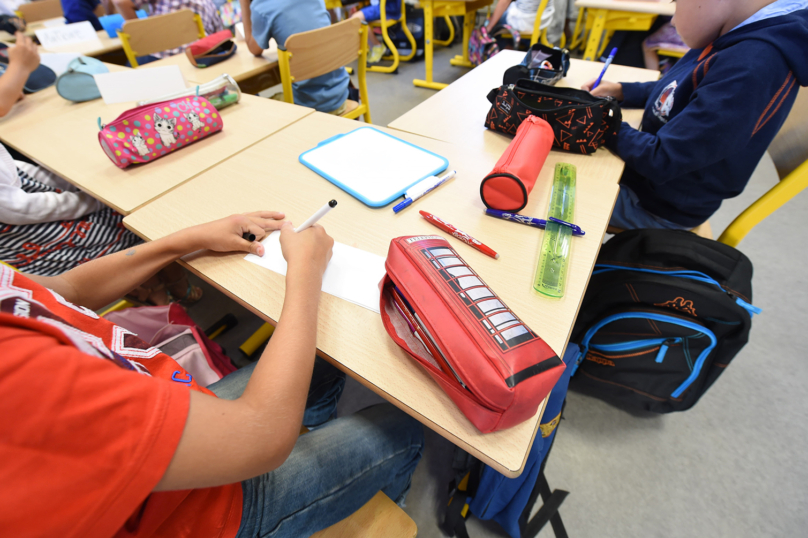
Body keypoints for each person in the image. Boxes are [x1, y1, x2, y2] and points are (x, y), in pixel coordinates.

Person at [0, 211, 425, 537]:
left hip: (167, 419)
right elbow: (260, 436)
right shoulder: (22, 379)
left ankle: (316, 433)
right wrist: (306, 274)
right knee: (401, 428)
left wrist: (185, 241)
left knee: (318, 366)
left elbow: (58, 293)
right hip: (199, 518)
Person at [0, 33, 200, 305]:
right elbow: (17, 208)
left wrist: (79, 190)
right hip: (37, 238)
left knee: (132, 211)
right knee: (136, 225)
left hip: (38, 210)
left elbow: (17, 171)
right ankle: (158, 296)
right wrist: (88, 199)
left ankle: (163, 286)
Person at [583, 0, 808, 230]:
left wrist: (603, 121)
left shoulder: (751, 64)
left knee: (549, 190)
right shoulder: (739, 29)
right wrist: (624, 91)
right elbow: (678, 88)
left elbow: (663, 159)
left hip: (655, 207)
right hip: (647, 181)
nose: (672, 19)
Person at [239, 0, 350, 114]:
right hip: (341, 96)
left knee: (251, 111)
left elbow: (254, 48)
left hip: (308, 106)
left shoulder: (261, 7)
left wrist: (244, 3)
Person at [113, 0, 224, 59]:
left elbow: (120, 2)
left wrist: (140, 36)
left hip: (161, 55)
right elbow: (218, 34)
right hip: (200, 55)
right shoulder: (208, 3)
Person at [349, 0, 402, 64]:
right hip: (387, 7)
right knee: (356, 18)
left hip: (387, 8)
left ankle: (377, 46)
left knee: (356, 19)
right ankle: (374, 47)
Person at [485, 0, 555, 40]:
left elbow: (504, 1)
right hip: (544, 19)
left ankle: (508, 52)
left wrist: (489, 26)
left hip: (525, 20)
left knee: (493, 25)